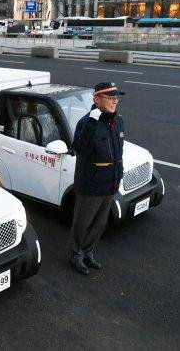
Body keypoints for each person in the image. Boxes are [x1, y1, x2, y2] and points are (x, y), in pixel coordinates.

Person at [68, 81, 125, 275]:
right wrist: (92, 122)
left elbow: (118, 151)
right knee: (83, 222)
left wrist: (120, 174)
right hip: (91, 184)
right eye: (110, 98)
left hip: (110, 182)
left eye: (116, 97)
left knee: (100, 224)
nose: (114, 101)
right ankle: (75, 255)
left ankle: (87, 252)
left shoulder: (118, 121)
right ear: (97, 99)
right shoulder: (86, 122)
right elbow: (79, 149)